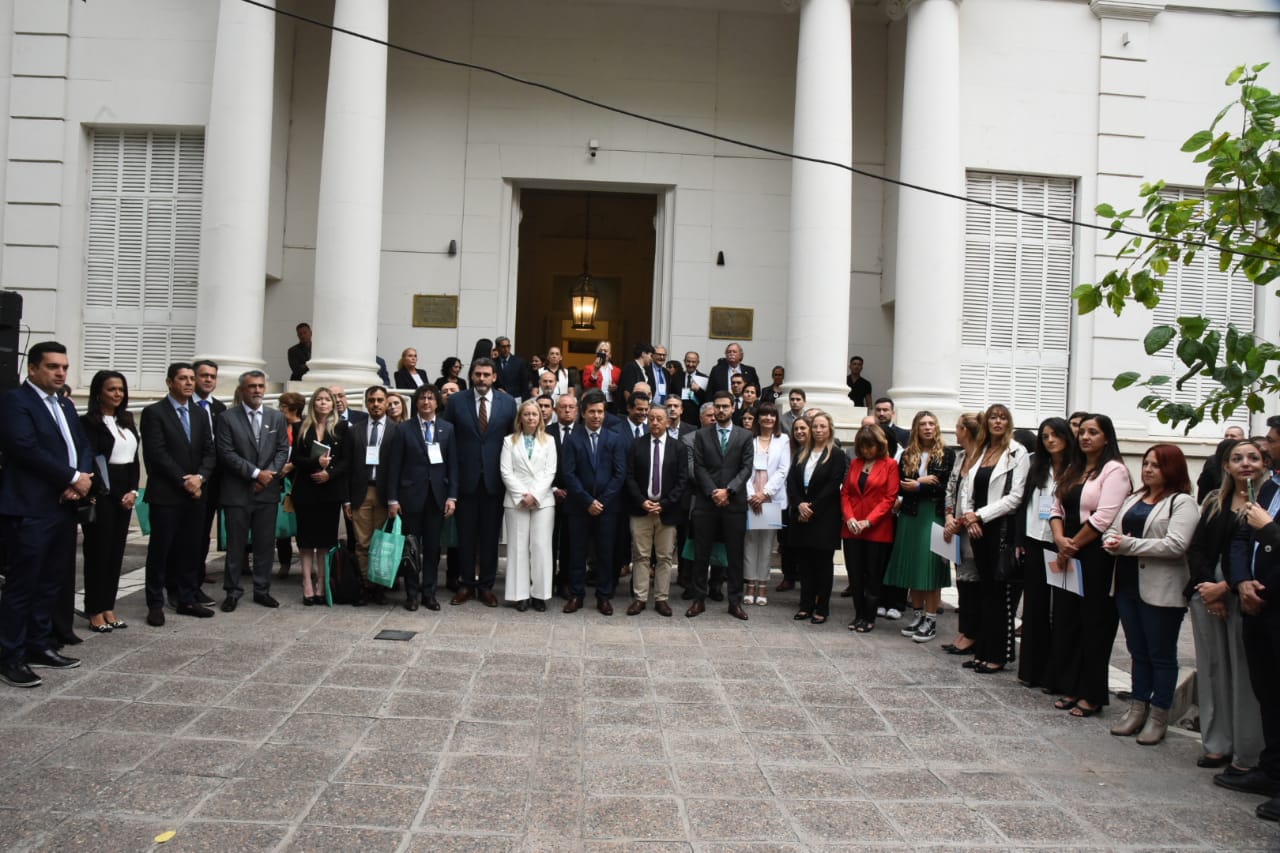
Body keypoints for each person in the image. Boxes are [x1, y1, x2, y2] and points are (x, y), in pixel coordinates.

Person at [0, 342, 94, 687]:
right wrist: (72, 477)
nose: (60, 373)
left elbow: (82, 445)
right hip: (29, 508)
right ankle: (10, 655)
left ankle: (39, 644)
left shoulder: (65, 405)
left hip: (63, 506)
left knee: (51, 581)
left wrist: (81, 479)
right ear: (33, 369)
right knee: (23, 584)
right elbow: (24, 448)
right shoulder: (15, 402)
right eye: (53, 366)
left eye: (65, 367)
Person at [1102, 444, 1197, 745]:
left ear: (1172, 468)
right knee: (1137, 651)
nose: (1148, 469)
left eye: (1156, 464)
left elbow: (1175, 545)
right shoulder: (1134, 497)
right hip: (1127, 585)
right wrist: (1111, 541)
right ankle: (1137, 708)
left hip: (1161, 590)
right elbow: (1112, 530)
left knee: (1161, 654)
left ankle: (1159, 715)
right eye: (1145, 463)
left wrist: (1128, 545)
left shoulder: (1182, 503)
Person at [1185, 438, 1267, 777]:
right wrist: (1207, 588)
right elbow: (1198, 547)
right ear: (1227, 466)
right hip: (1207, 594)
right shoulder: (1214, 501)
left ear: (1264, 463)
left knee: (1244, 673)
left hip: (1243, 594)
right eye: (1238, 458)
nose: (1246, 463)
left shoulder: (1268, 503)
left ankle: (1248, 751)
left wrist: (1226, 586)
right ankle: (1217, 743)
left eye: (1253, 457)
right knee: (1213, 668)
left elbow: (1254, 552)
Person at [1047, 413, 1131, 716]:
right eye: (1082, 432)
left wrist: (1072, 546)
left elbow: (1103, 517)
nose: (1085, 437)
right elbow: (1055, 506)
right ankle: (1070, 685)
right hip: (1066, 549)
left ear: (1106, 437)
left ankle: (1092, 693)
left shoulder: (1115, 471)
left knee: (1094, 623)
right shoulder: (1075, 468)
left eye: (1093, 432)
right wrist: (1060, 540)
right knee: (1068, 620)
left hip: (1095, 554)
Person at [1225, 419, 1280, 819]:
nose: (1269, 448)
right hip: (1255, 602)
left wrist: (1272, 530)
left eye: (1273, 443)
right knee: (1269, 691)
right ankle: (1272, 771)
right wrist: (1243, 581)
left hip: (1276, 601)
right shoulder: (1271, 487)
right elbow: (1243, 536)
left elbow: (1265, 531)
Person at [948, 404, 1029, 672]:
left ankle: (998, 654)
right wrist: (970, 514)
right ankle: (982, 651)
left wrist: (980, 515)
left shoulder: (1018, 453)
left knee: (999, 596)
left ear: (1009, 422)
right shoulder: (982, 451)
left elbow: (1015, 497)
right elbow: (966, 489)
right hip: (977, 529)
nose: (997, 421)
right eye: (993, 417)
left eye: (1002, 417)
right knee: (983, 594)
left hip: (999, 529)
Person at [140, 362, 216, 627]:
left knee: (190, 548)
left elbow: (209, 450)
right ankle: (155, 603)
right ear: (170, 381)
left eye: (191, 379)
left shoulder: (199, 413)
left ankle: (185, 598)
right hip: (167, 494)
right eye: (183, 378)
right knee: (161, 551)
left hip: (196, 494)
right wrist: (184, 480)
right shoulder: (154, 413)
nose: (189, 383)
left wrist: (200, 478)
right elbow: (157, 453)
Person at [443, 357, 516, 606]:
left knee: (489, 537)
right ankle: (465, 584)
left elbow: (512, 441)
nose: (482, 379)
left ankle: (485, 585)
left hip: (495, 481)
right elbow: (449, 442)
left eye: (486, 374)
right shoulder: (456, 401)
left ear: (494, 377)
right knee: (465, 536)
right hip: (465, 480)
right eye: (477, 374)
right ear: (471, 376)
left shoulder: (507, 403)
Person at [216, 370, 291, 611]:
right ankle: (232, 590)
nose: (257, 390)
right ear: (242, 390)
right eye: (252, 386)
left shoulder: (276, 417)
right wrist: (256, 474)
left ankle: (262, 589)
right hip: (238, 491)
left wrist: (268, 474)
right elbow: (226, 453)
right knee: (236, 545)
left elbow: (282, 450)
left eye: (260, 386)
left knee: (265, 544)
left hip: (267, 492)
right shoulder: (228, 418)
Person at [383, 384, 457, 611]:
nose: (426, 402)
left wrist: (452, 496)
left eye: (431, 399)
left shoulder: (447, 429)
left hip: (437, 498)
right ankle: (412, 594)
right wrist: (392, 499)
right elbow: (394, 466)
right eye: (422, 398)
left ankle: (430, 593)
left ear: (437, 402)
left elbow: (453, 466)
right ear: (416, 402)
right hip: (410, 498)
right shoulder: (404, 429)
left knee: (433, 549)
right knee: (411, 547)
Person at [884, 411, 955, 643]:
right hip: (910, 515)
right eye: (923, 424)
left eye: (931, 423)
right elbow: (900, 485)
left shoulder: (947, 454)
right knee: (913, 566)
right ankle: (917, 615)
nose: (928, 428)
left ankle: (931, 619)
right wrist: (921, 483)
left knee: (931, 568)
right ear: (916, 428)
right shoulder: (907, 453)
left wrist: (919, 485)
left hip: (934, 515)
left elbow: (944, 485)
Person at [79, 370, 141, 634]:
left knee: (116, 554)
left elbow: (134, 459)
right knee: (98, 554)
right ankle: (94, 609)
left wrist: (133, 492)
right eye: (111, 389)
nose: (118, 394)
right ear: (98, 392)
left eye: (121, 390)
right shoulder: (89, 423)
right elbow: (93, 461)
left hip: (125, 492)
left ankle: (108, 606)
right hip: (103, 493)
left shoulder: (126, 420)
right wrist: (118, 494)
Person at [687, 391, 755, 620]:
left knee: (735, 556)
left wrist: (729, 491)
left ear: (733, 408)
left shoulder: (745, 436)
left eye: (725, 406)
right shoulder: (702, 435)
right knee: (701, 554)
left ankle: (734, 601)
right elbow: (698, 466)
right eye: (717, 406)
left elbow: (746, 468)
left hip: (734, 504)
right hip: (707, 503)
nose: (721, 410)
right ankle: (699, 599)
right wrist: (713, 492)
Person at [1017, 417, 1074, 688]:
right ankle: (1032, 671)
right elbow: (1024, 503)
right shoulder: (1038, 467)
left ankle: (1056, 675)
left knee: (1061, 611)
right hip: (1034, 539)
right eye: (1045, 436)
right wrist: (1019, 538)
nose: (1050, 440)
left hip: (1061, 544)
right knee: (1034, 607)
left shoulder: (1077, 469)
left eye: (1055, 435)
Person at [560, 390, 629, 615]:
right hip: (579, 507)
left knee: (605, 553)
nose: (596, 416)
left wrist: (601, 501)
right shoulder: (572, 439)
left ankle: (603, 596)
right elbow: (568, 474)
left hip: (607, 508)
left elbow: (620, 474)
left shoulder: (614, 438)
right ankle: (577, 594)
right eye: (592, 412)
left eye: (600, 412)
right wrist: (588, 500)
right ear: (583, 413)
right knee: (577, 553)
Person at [625, 406, 688, 616]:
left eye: (659, 419)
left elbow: (682, 480)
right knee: (641, 556)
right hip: (641, 509)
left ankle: (661, 599)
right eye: (651, 418)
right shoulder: (636, 445)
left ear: (667, 422)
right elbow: (630, 477)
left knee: (664, 557)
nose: (654, 422)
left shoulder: (678, 448)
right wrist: (642, 501)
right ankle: (640, 598)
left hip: (666, 511)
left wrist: (666, 503)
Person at [290, 387, 349, 606]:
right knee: (306, 541)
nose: (323, 403)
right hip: (306, 490)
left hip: (329, 491)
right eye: (319, 400)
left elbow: (345, 460)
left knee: (324, 541)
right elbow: (295, 458)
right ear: (313, 403)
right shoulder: (301, 427)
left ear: (333, 404)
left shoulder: (342, 428)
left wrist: (329, 472)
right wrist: (316, 464)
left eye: (327, 400)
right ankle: (306, 582)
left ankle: (321, 584)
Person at [786, 413, 848, 624]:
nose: (819, 430)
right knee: (804, 565)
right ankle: (805, 604)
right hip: (801, 515)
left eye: (823, 426)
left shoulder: (837, 454)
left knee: (822, 565)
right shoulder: (802, 453)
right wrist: (799, 505)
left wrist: (811, 509)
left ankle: (822, 607)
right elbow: (791, 483)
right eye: (815, 427)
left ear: (830, 429)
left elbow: (833, 486)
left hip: (824, 517)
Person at [841, 424, 901, 632]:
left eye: (870, 446)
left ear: (879, 445)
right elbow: (846, 493)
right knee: (855, 574)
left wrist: (869, 520)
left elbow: (889, 497)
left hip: (877, 529)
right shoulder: (856, 463)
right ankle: (858, 614)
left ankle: (869, 616)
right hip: (852, 528)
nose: (866, 451)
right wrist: (849, 518)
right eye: (863, 446)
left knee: (873, 575)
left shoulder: (890, 465)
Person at [500, 399, 557, 611]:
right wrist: (522, 495)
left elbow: (550, 471)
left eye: (535, 414)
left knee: (541, 547)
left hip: (543, 501)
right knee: (517, 547)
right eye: (527, 414)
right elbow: (506, 471)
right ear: (520, 418)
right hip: (517, 501)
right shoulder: (509, 441)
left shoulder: (549, 441)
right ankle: (519, 595)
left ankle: (540, 594)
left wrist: (535, 495)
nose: (531, 418)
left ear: (540, 418)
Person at [343, 386, 391, 603]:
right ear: (366, 402)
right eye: (371, 400)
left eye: (380, 400)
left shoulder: (396, 430)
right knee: (362, 543)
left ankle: (378, 586)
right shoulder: (354, 431)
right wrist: (346, 499)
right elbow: (346, 466)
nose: (376, 404)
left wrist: (395, 499)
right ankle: (365, 585)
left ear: (387, 402)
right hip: (360, 493)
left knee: (381, 544)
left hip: (384, 494)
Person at [941, 413, 983, 656]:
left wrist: (962, 520)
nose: (955, 431)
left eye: (957, 427)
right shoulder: (959, 457)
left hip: (972, 527)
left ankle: (972, 633)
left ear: (966, 430)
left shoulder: (983, 458)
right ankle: (964, 630)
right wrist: (949, 517)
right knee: (962, 583)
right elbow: (950, 489)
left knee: (973, 585)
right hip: (955, 526)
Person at [742, 403, 789, 606]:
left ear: (776, 419)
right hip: (750, 499)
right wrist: (753, 495)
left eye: (772, 415)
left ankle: (762, 584)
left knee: (767, 544)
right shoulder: (747, 439)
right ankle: (750, 584)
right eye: (764, 414)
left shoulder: (783, 440)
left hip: (771, 498)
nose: (768, 418)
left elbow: (783, 469)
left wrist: (765, 493)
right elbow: (743, 469)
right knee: (750, 543)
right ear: (758, 418)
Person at [192, 358, 226, 596]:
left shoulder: (219, 409)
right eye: (204, 375)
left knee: (203, 531)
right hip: (190, 479)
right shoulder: (184, 407)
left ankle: (197, 574)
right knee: (187, 533)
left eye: (212, 376)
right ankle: (182, 578)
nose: (208, 380)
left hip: (214, 481)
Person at [275, 391, 306, 579]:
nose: (280, 410)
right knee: (283, 526)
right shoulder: (278, 426)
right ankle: (284, 563)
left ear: (292, 409)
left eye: (283, 406)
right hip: (280, 481)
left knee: (301, 525)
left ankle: (305, 564)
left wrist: (292, 465)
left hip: (298, 479)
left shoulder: (303, 427)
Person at [1197, 426, 1247, 503]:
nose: (1228, 438)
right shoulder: (1213, 461)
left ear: (1243, 439)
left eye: (1233, 436)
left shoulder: (1247, 460)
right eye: (1226, 436)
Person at [581, 341, 621, 412]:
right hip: (594, 402)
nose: (603, 353)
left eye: (605, 351)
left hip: (611, 403)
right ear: (596, 354)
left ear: (610, 355)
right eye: (600, 351)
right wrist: (595, 371)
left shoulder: (617, 370)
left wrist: (616, 388)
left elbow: (621, 388)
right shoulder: (589, 368)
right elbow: (587, 387)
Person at [620, 342, 657, 408]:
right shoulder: (631, 367)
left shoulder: (644, 370)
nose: (652, 359)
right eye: (651, 355)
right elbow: (627, 391)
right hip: (633, 410)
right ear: (643, 354)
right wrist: (632, 408)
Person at [677, 351, 708, 427]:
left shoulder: (704, 378)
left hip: (696, 419)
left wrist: (698, 390)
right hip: (680, 417)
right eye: (688, 361)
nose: (690, 364)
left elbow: (707, 399)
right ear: (684, 361)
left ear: (698, 363)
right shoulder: (676, 377)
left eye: (693, 362)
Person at [493, 336, 527, 400]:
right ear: (497, 348)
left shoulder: (519, 362)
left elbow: (524, 384)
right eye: (503, 347)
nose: (506, 349)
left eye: (508, 346)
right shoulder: (493, 363)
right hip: (497, 397)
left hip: (515, 398)